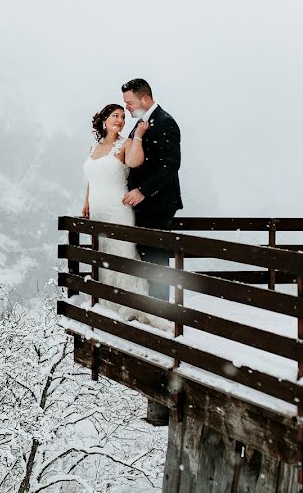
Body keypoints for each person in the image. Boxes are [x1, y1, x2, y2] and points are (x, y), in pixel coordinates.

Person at [120, 77, 183, 426]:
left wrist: (143, 192)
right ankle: (152, 310)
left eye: (130, 102)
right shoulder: (142, 123)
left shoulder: (166, 122)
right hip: (143, 205)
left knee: (156, 257)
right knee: (145, 255)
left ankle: (161, 316)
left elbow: (169, 165)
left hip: (158, 204)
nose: (127, 107)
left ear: (145, 98)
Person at [82, 103, 155, 323]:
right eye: (115, 115)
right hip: (97, 210)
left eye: (123, 117)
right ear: (104, 120)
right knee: (101, 253)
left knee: (120, 253)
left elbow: (135, 161)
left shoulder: (127, 143)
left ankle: (127, 305)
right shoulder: (95, 147)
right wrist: (86, 203)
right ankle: (104, 302)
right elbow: (91, 179)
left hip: (118, 209)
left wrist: (140, 135)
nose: (120, 120)